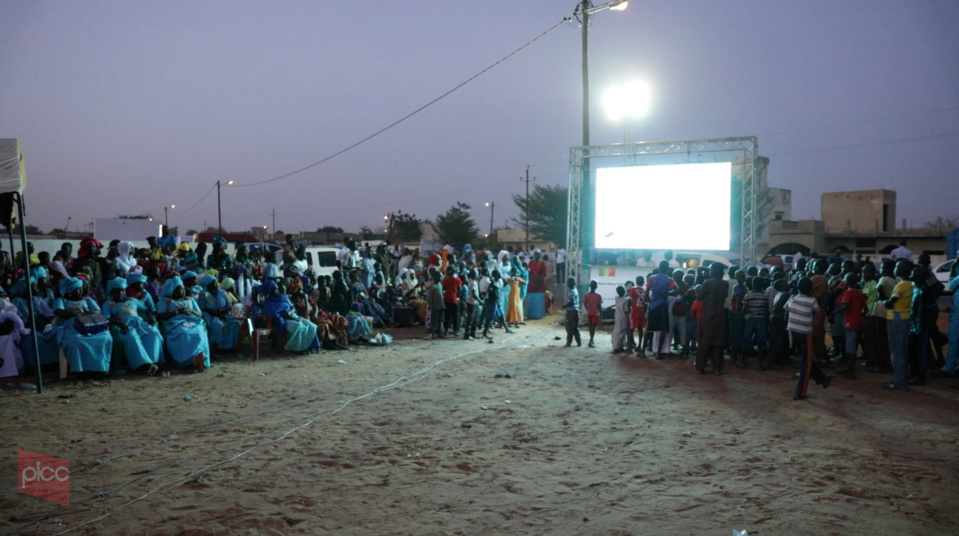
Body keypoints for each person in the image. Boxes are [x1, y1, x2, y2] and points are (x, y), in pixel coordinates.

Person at [100, 277, 162, 375]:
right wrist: (120, 323)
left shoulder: (132, 300)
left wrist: (150, 317)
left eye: (122, 291)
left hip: (140, 324)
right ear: (112, 292)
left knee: (153, 333)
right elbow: (105, 318)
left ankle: (154, 362)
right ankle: (144, 366)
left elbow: (147, 309)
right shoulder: (108, 304)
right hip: (123, 326)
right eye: (117, 291)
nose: (120, 293)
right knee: (132, 337)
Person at [54, 276, 113, 375]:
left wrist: (82, 312)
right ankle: (80, 371)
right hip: (72, 325)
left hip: (91, 323)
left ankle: (101, 368)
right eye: (78, 289)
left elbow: (97, 311)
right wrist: (73, 312)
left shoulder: (87, 299)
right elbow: (59, 312)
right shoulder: (61, 301)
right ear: (71, 291)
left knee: (105, 337)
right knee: (76, 341)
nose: (82, 291)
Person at [788, 277, 833, 400]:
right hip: (805, 333)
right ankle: (801, 392)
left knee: (806, 359)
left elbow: (787, 309)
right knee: (805, 363)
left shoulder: (793, 298)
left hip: (794, 331)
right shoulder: (812, 300)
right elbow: (816, 311)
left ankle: (822, 379)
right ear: (811, 289)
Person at [156, 276, 210, 371]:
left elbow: (200, 314)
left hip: (192, 321)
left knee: (199, 331)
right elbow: (160, 316)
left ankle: (198, 357)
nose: (183, 291)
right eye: (180, 289)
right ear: (173, 291)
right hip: (175, 323)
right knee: (184, 333)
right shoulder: (166, 301)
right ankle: (187, 361)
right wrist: (177, 312)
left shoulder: (190, 300)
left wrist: (190, 310)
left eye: (183, 288)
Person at [255, 279, 321, 354]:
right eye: (274, 289)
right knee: (299, 327)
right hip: (284, 320)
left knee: (311, 325)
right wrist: (286, 316)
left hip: (293, 315)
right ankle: (297, 349)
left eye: (277, 288)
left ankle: (312, 346)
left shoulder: (284, 297)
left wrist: (290, 313)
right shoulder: (268, 302)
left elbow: (293, 307)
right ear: (270, 292)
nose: (277, 290)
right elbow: (274, 315)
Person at [880, 260, 914, 391]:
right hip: (904, 319)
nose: (895, 268)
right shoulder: (909, 284)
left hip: (896, 320)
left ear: (903, 270)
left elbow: (890, 303)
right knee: (902, 351)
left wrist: (882, 299)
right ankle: (901, 378)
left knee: (896, 352)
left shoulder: (901, 285)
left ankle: (898, 381)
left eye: (898, 266)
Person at [694, 262, 729, 374]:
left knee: (704, 342)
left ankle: (700, 368)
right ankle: (717, 368)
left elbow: (700, 297)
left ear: (712, 271)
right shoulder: (725, 284)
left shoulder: (707, 282)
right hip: (720, 315)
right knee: (718, 343)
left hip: (708, 315)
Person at [833, 272, 867, 379]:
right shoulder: (859, 292)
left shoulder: (848, 292)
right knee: (852, 344)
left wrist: (833, 313)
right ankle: (849, 368)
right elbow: (865, 309)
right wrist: (859, 316)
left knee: (850, 346)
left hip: (850, 322)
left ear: (846, 282)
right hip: (857, 322)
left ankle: (850, 370)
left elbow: (845, 306)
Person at [197, 274, 240, 354]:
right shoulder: (203, 293)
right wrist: (215, 313)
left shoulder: (223, 292)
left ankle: (231, 346)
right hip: (211, 315)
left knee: (235, 323)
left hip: (224, 313)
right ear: (208, 285)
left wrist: (221, 311)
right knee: (218, 325)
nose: (216, 285)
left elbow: (229, 305)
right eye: (213, 283)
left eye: (216, 282)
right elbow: (202, 307)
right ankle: (220, 347)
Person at [647, 261, 678, 359]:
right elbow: (677, 289)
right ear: (667, 269)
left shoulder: (652, 278)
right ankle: (658, 353)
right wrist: (667, 294)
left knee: (649, 329)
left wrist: (650, 301)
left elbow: (647, 291)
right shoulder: (669, 279)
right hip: (663, 305)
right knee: (663, 330)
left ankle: (642, 350)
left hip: (653, 305)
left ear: (659, 267)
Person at [628, 276, 647, 356]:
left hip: (634, 311)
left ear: (636, 281)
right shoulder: (645, 291)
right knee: (640, 329)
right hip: (641, 312)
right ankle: (639, 345)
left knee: (631, 329)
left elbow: (629, 300)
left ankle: (630, 346)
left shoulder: (633, 289)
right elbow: (646, 304)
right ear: (643, 282)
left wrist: (629, 308)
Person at [525, 252, 548, 319]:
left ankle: (538, 315)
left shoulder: (542, 263)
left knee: (539, 300)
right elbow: (529, 272)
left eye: (539, 255)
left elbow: (544, 274)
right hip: (532, 283)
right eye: (536, 254)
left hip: (540, 284)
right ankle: (530, 314)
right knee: (531, 299)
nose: (538, 256)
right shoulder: (530, 263)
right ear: (534, 255)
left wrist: (538, 282)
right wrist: (534, 280)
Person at [583, 280, 603, 348]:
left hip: (589, 313)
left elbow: (585, 304)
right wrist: (601, 314)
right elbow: (599, 306)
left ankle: (591, 340)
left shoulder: (586, 295)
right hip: (595, 314)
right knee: (593, 328)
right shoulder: (598, 296)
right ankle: (591, 341)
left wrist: (587, 309)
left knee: (590, 327)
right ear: (596, 287)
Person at [426, 270, 446, 339]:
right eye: (439, 276)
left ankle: (439, 333)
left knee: (440, 320)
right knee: (434, 320)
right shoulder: (432, 286)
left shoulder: (440, 285)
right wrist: (431, 306)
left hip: (441, 305)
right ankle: (433, 333)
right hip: (435, 306)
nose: (440, 278)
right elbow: (429, 298)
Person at [611, 285, 630, 353]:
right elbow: (626, 310)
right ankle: (618, 346)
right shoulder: (625, 300)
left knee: (617, 331)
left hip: (617, 316)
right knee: (621, 332)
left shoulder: (616, 298)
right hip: (623, 317)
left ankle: (617, 345)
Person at [563, 277, 582, 347]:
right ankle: (579, 342)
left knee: (569, 327)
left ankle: (569, 342)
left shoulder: (571, 291)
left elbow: (571, 301)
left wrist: (565, 306)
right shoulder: (575, 290)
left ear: (573, 283)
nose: (568, 284)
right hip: (576, 310)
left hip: (571, 311)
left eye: (569, 282)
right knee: (575, 327)